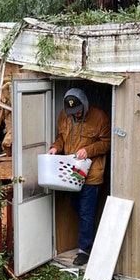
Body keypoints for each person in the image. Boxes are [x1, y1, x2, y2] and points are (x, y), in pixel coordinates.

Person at [48, 88, 111, 266]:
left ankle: (84, 250)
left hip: (91, 174)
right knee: (77, 207)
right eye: (72, 112)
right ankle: (88, 240)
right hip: (72, 173)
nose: (75, 114)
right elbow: (61, 137)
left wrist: (88, 150)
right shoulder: (65, 116)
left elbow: (107, 143)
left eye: (78, 110)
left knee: (86, 212)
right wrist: (55, 147)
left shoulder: (99, 117)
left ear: (85, 104)